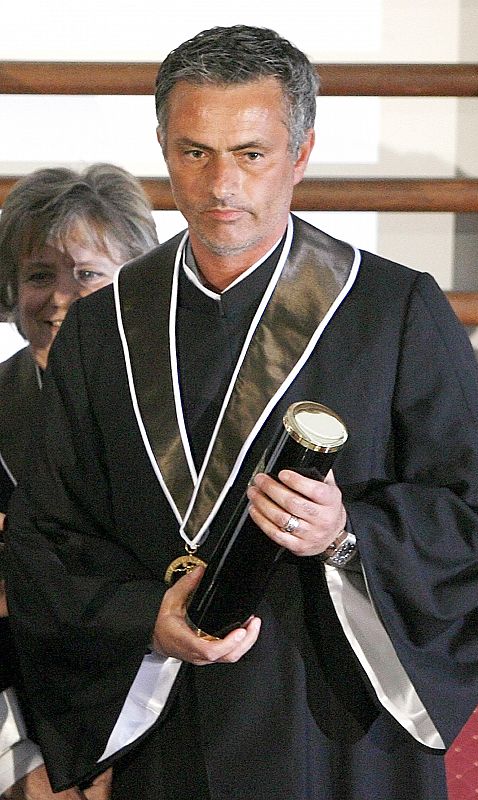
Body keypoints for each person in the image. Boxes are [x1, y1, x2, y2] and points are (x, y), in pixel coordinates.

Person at [4, 26, 478, 800]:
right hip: (170, 718)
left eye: (250, 153)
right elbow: (48, 542)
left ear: (301, 153)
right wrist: (149, 617)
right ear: (162, 145)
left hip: (342, 725)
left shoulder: (393, 311)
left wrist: (346, 535)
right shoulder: (102, 327)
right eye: (194, 151)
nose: (220, 186)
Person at [0, 164, 158, 799]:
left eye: (88, 274)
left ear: (136, 283)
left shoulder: (183, 412)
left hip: (162, 708)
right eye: (40, 275)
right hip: (22, 719)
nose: (61, 299)